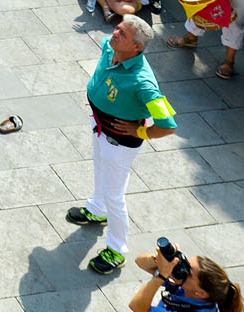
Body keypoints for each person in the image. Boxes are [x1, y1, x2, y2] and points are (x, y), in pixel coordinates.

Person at [67, 18, 179, 276]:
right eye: (118, 28)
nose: (114, 34)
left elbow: (168, 124)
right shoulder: (110, 47)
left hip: (120, 143)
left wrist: (141, 131)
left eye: (123, 34)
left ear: (137, 48)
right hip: (100, 128)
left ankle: (116, 250)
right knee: (99, 170)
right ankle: (97, 209)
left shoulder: (144, 83)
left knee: (115, 195)